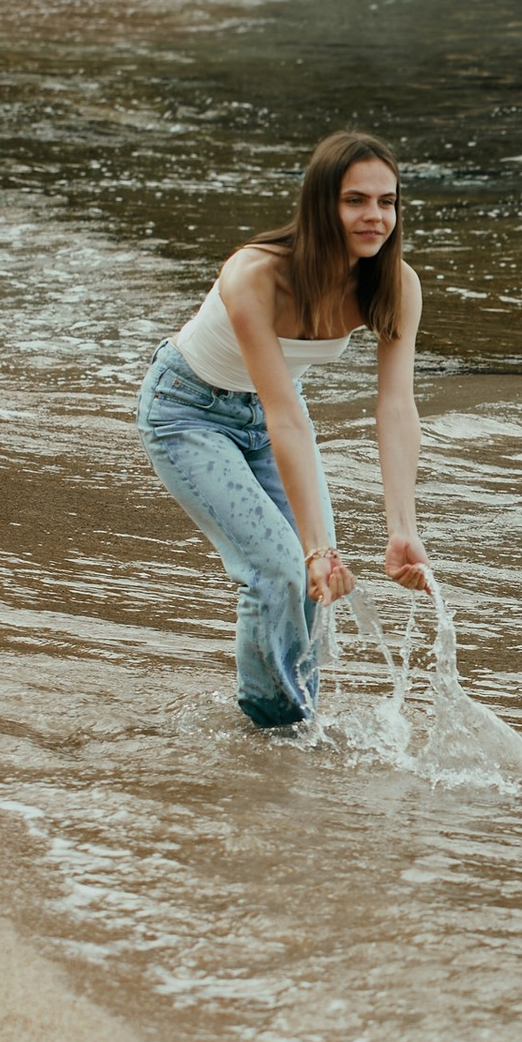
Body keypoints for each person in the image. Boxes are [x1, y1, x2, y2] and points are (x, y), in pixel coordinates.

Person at [136, 129, 430, 732]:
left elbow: (396, 408)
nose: (375, 216)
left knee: (309, 580)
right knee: (282, 566)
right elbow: (285, 413)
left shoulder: (396, 284)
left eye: (387, 201)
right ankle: (274, 728)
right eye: (356, 200)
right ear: (321, 204)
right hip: (187, 411)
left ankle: (297, 722)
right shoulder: (256, 274)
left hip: (269, 416)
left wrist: (402, 528)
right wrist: (316, 547)